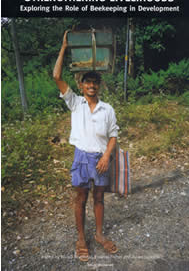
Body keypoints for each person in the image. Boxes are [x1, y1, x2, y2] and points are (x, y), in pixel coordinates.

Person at [53, 31, 119, 262]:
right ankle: (81, 238)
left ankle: (99, 235)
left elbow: (113, 136)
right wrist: (64, 47)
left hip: (100, 159)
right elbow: (57, 75)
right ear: (81, 86)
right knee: (80, 198)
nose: (92, 85)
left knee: (99, 198)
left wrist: (106, 157)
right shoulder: (75, 103)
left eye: (95, 82)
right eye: (88, 82)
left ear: (99, 86)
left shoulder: (107, 109)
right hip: (81, 158)